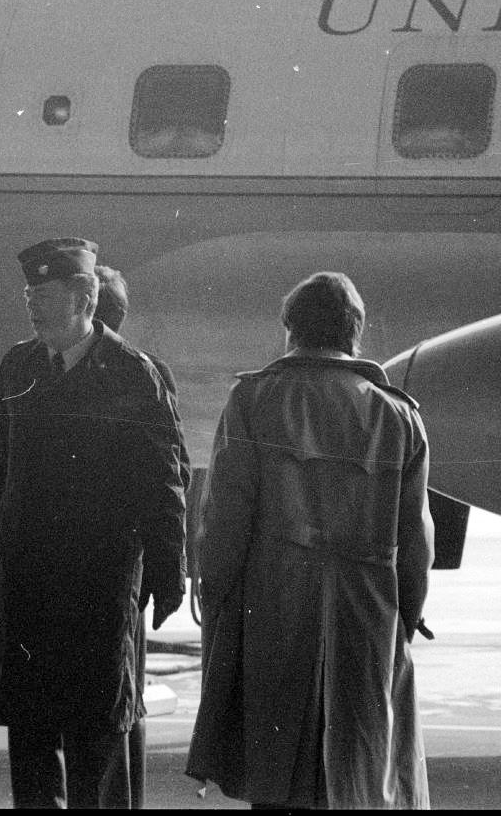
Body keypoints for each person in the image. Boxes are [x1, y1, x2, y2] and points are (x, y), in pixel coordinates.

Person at [0, 237, 187, 809]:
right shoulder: (21, 364)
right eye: (28, 291)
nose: (30, 302)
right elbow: (0, 463)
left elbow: (165, 481)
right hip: (29, 580)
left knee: (95, 739)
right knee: (30, 735)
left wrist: (167, 570)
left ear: (85, 296)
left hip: (98, 587)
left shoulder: (133, 374)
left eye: (44, 291)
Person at [186, 271, 434, 810]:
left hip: (273, 615)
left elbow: (225, 521)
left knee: (276, 778)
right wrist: (402, 622)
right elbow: (416, 545)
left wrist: (214, 596)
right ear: (355, 334)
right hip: (368, 622)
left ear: (290, 330)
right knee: (360, 778)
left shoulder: (253, 400)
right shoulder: (399, 415)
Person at [93, 264, 193, 809]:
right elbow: (170, 474)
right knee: (125, 696)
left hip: (95, 563)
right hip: (126, 563)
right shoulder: (151, 370)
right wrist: (167, 567)